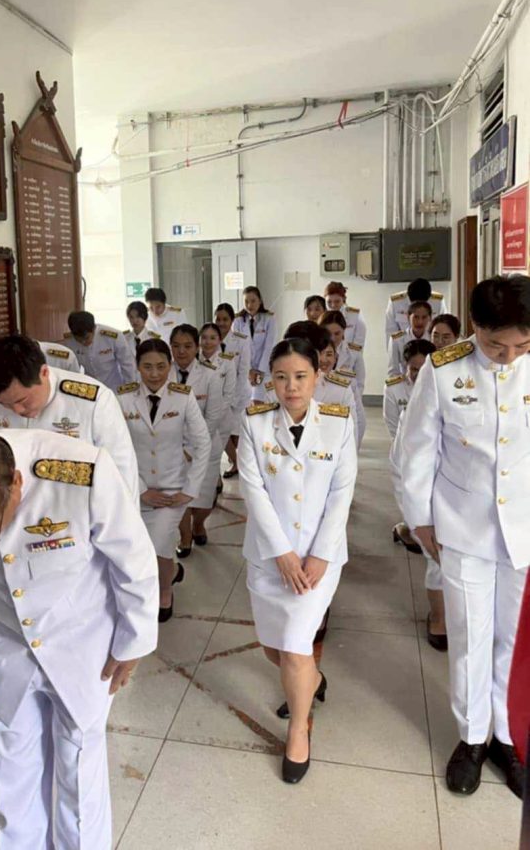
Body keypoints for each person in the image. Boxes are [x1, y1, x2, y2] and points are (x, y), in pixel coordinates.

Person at [0, 430, 158, 850]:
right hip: (2, 638)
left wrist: (132, 644)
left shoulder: (83, 473)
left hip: (82, 640)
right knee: (11, 758)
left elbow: (133, 561)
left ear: (16, 486)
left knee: (78, 760)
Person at [400, 276, 530, 799]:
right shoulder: (443, 369)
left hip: (524, 529)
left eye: (521, 346)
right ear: (476, 327)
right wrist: (420, 520)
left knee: (514, 640)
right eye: (497, 346)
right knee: (471, 636)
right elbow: (416, 450)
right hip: (462, 525)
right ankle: (473, 738)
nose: (508, 357)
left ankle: (508, 738)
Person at [239, 338, 357, 784]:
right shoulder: (255, 422)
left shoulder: (338, 424)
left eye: (301, 376)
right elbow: (252, 490)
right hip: (269, 556)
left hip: (317, 560)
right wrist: (282, 554)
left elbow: (342, 494)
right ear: (270, 380)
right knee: (274, 647)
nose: (291, 387)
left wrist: (320, 554)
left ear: (318, 377)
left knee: (292, 647)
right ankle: (314, 678)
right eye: (281, 377)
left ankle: (298, 731)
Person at [0, 336, 139, 500]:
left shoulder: (93, 401)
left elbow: (122, 474)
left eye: (22, 400)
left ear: (44, 372)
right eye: (4, 404)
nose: (16, 410)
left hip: (78, 508)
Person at [117, 339, 210, 621]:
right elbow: (116, 448)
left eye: (160, 366)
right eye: (147, 367)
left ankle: (165, 590)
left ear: (170, 366)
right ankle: (174, 571)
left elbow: (202, 443)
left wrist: (190, 490)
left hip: (172, 492)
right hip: (137, 489)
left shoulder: (183, 397)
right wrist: (141, 490)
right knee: (138, 547)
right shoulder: (122, 398)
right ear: (137, 367)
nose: (154, 374)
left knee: (157, 546)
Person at [386, 340, 447, 651]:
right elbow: (402, 470)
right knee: (438, 560)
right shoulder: (409, 413)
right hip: (428, 499)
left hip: (460, 499)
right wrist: (418, 519)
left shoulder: (458, 399)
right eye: (414, 369)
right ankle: (439, 619)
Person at [168, 324, 223, 554]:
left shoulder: (210, 375)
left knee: (204, 499)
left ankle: (199, 524)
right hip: (172, 449)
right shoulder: (163, 374)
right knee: (180, 498)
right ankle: (185, 537)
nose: (181, 351)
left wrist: (192, 448)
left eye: (187, 346)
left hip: (205, 447)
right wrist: (179, 448)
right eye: (176, 346)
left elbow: (213, 416)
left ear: (197, 347)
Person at [213, 302, 252, 479]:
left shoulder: (241, 340)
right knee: (221, 431)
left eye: (225, 319)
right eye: (218, 319)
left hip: (238, 394)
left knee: (236, 434)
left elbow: (243, 371)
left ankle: (239, 463)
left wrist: (232, 399)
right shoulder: (209, 338)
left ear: (231, 321)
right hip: (217, 394)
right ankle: (236, 462)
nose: (221, 323)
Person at [321, 309, 366, 441]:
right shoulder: (312, 352)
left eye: (337, 333)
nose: (333, 338)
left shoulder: (354, 352)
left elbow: (360, 383)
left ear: (344, 331)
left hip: (347, 401)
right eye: (328, 333)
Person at [61, 311, 136, 390]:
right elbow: (71, 370)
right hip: (91, 388)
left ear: (94, 329)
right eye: (79, 340)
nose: (84, 342)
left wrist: (130, 388)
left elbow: (127, 364)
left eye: (86, 338)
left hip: (114, 387)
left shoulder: (113, 336)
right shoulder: (69, 342)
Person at [232, 285, 276, 398]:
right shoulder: (237, 321)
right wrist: (249, 370)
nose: (249, 305)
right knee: (245, 404)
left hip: (264, 371)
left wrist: (260, 371)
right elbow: (237, 349)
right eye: (246, 301)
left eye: (253, 301)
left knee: (262, 402)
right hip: (244, 371)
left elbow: (269, 347)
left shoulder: (269, 319)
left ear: (260, 301)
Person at [386, 300, 433, 377]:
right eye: (416, 317)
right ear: (408, 317)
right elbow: (393, 371)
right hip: (405, 381)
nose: (420, 322)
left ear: (430, 318)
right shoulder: (396, 339)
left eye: (424, 317)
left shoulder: (434, 338)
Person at [324, 281, 366, 347]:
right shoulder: (321, 317)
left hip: (349, 353)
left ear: (343, 299)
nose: (333, 305)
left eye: (337, 301)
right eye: (329, 302)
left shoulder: (355, 315)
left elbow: (358, 345)